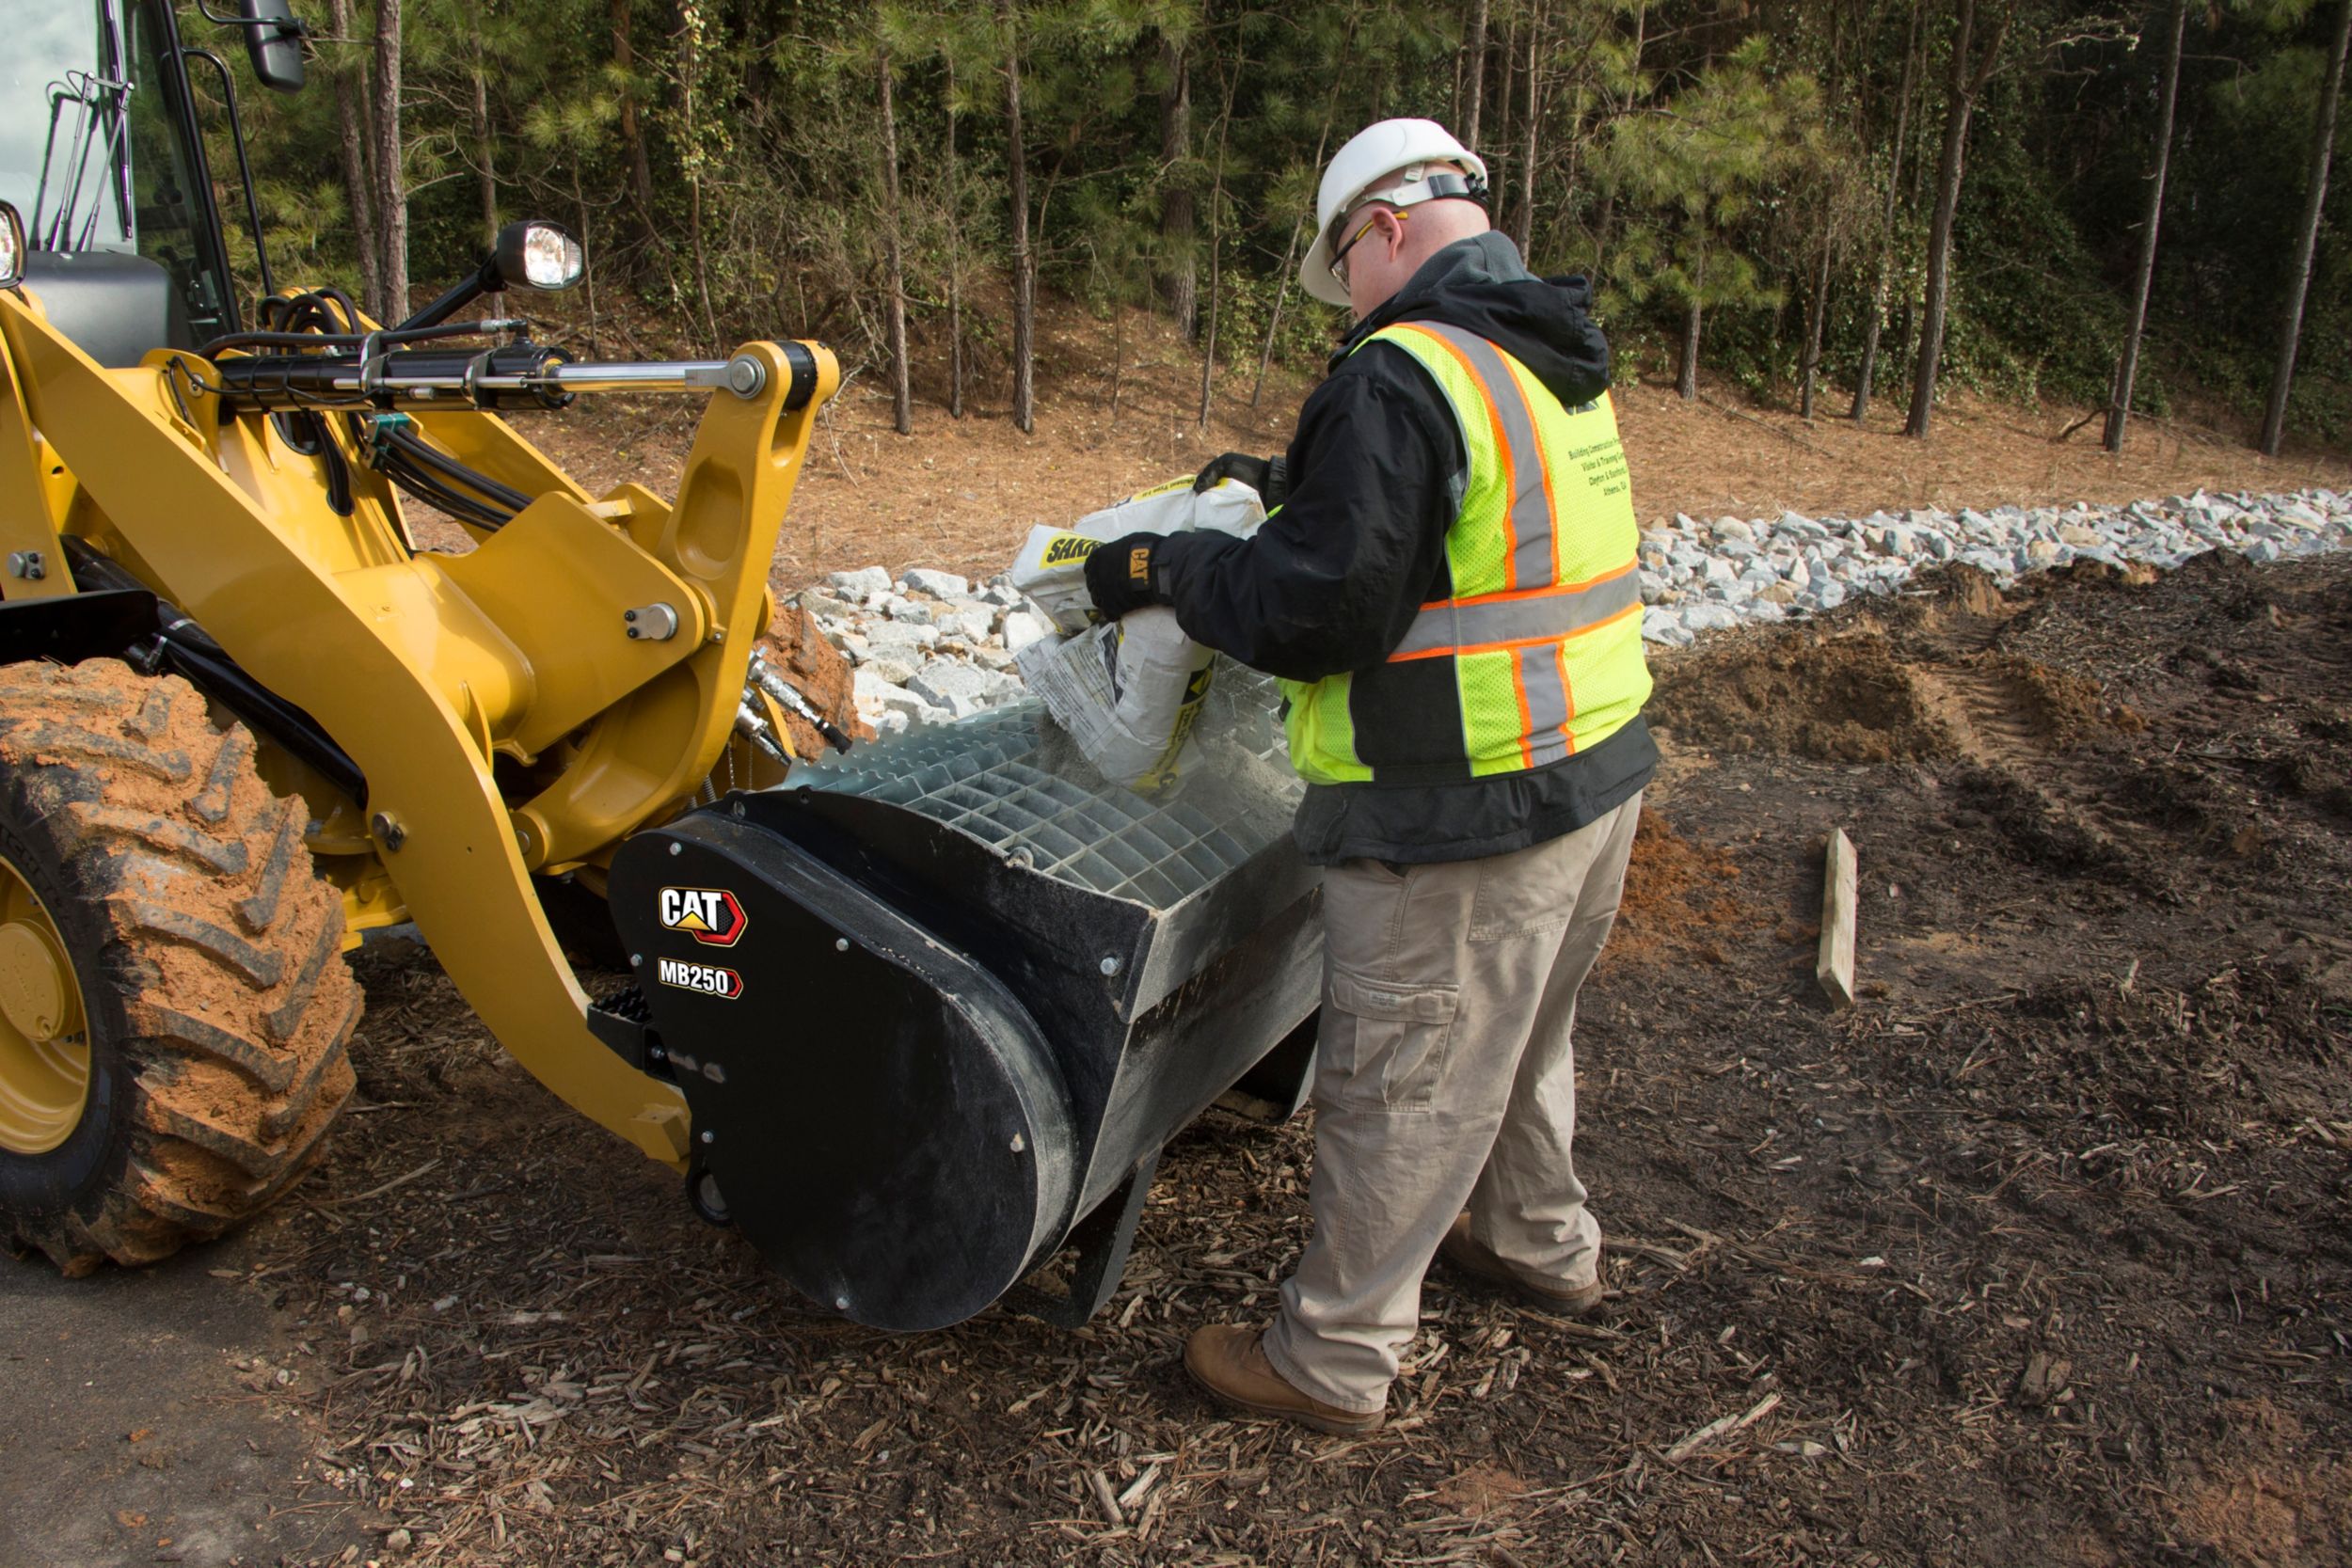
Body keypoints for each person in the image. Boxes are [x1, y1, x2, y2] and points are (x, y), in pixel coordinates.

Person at [1083, 118, 1657, 1435]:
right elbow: (1450, 523)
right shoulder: (1540, 349)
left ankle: (1333, 1357)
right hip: (1591, 772)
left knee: (1403, 1079)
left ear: (1384, 226)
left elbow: (1316, 613)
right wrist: (1296, 483)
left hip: (1459, 804)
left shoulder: (1400, 371)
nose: (1344, 289)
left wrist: (1162, 572)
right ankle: (1534, 1244)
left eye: (1341, 259)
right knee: (1517, 1043)